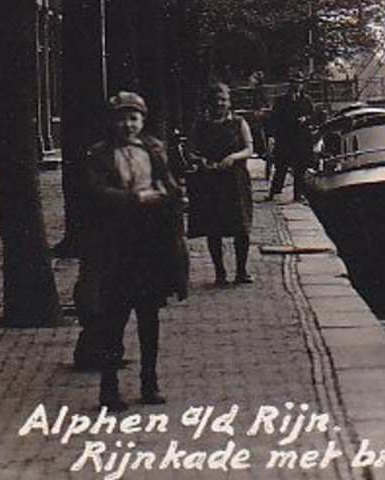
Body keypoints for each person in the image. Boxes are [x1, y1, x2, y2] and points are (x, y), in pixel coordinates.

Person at [80, 91, 187, 411]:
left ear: (142, 120)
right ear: (112, 122)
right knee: (113, 318)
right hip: (115, 247)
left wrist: (173, 193)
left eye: (134, 118)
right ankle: (109, 388)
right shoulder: (99, 155)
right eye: (121, 119)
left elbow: (168, 183)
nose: (128, 125)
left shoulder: (153, 149)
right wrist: (135, 199)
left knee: (149, 317)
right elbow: (96, 192)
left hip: (150, 245)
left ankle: (149, 382)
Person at [187, 82, 256, 285]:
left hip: (235, 179)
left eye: (224, 100)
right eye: (216, 100)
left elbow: (249, 148)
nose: (220, 104)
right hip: (210, 180)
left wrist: (234, 157)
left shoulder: (238, 123)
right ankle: (220, 272)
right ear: (210, 102)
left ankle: (241, 271)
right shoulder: (201, 125)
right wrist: (201, 161)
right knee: (213, 227)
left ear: (229, 102)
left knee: (241, 226)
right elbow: (190, 151)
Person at [267, 76, 316, 201]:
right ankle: (275, 192)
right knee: (281, 167)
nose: (297, 85)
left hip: (301, 139)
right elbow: (274, 119)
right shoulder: (281, 101)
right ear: (290, 85)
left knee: (300, 168)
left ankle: (297, 195)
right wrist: (272, 136)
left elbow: (314, 116)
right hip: (285, 139)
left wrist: (306, 119)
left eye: (300, 83)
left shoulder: (307, 100)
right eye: (295, 83)